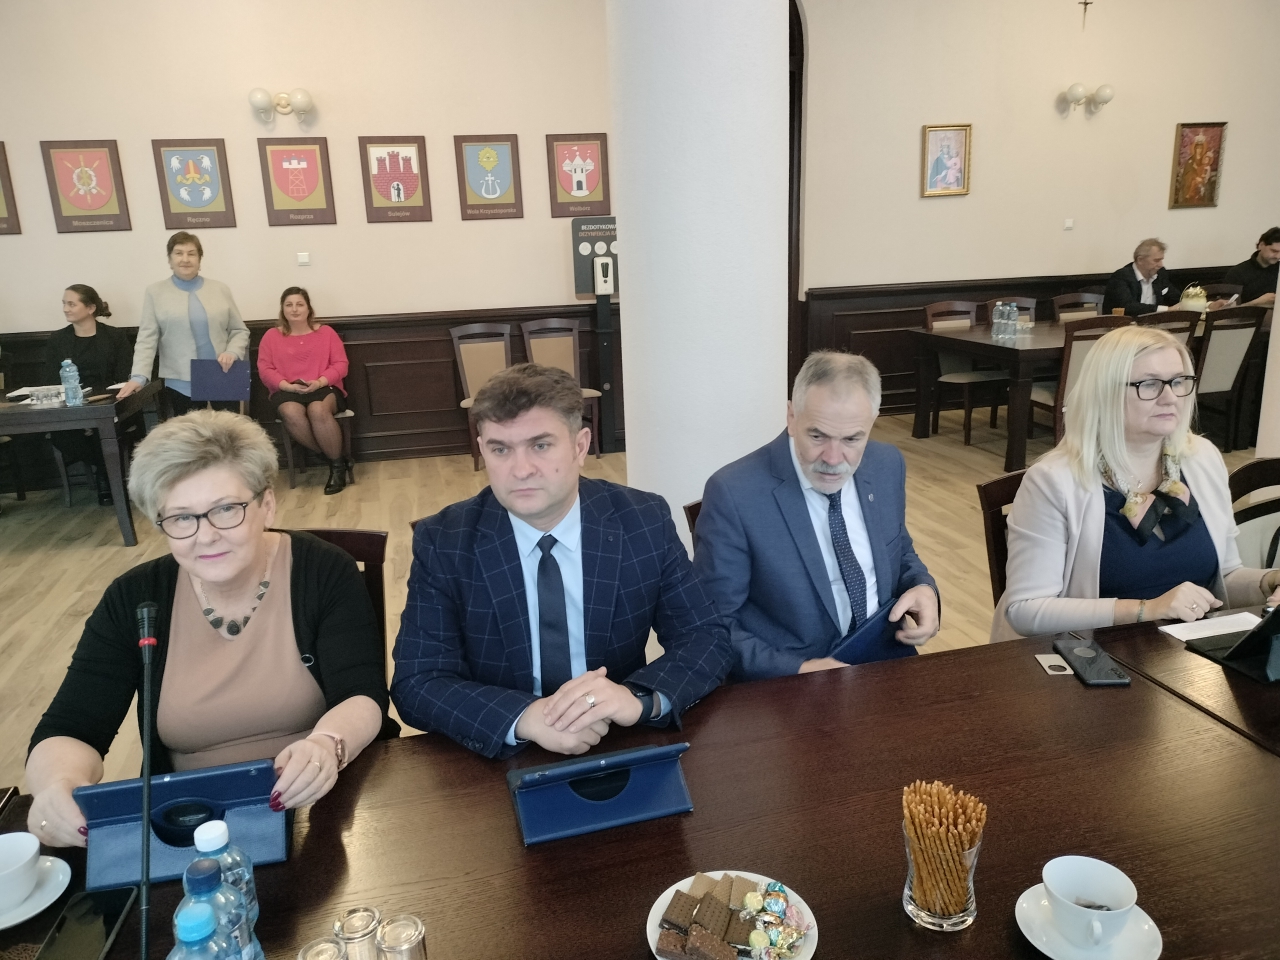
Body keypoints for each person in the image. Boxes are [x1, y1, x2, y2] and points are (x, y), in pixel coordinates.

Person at [26, 411, 396, 848]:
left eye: (226, 509)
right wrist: (57, 785)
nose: (206, 535)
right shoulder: (135, 597)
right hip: (190, 822)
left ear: (267, 504)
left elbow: (362, 693)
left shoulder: (324, 570)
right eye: (182, 518)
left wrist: (326, 745)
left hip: (324, 803)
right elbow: (72, 725)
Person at [391, 363, 731, 759]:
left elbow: (705, 637)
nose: (521, 470)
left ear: (580, 446)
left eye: (540, 445)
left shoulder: (642, 520)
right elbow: (418, 682)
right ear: (482, 449)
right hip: (501, 752)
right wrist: (524, 717)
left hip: (617, 741)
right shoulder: (445, 540)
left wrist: (637, 699)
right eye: (500, 449)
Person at [993, 325, 1280, 641]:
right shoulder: (1053, 481)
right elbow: (1026, 611)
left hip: (1188, 656)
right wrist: (1148, 609)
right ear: (1104, 394)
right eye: (1150, 384)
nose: (1170, 397)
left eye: (1178, 382)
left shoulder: (1202, 458)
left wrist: (1269, 581)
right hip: (1089, 657)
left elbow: (1224, 576)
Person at [692, 351, 940, 681]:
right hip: (788, 676)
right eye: (817, 436)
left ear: (873, 422)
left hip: (884, 654)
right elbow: (712, 625)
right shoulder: (734, 493)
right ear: (791, 416)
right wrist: (798, 670)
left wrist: (923, 587)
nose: (833, 459)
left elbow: (900, 550)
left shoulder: (887, 464)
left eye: (852, 439)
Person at [115, 232, 248, 416]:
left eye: (191, 253)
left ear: (200, 260)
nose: (185, 259)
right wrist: (139, 377)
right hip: (181, 380)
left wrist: (232, 352)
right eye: (179, 253)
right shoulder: (155, 292)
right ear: (170, 259)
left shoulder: (220, 289)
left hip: (223, 373)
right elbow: (147, 339)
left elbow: (239, 330)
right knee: (190, 432)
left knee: (229, 429)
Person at [43, 285, 135, 504]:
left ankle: (105, 478)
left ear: (91, 308)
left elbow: (123, 375)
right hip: (72, 406)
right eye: (64, 304)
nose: (65, 309)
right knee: (64, 436)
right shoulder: (58, 340)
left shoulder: (114, 336)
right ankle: (106, 472)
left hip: (110, 402)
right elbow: (51, 379)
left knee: (103, 430)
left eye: (71, 304)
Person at [257, 288, 351, 495]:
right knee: (290, 412)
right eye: (289, 305)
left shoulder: (326, 333)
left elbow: (341, 365)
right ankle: (336, 459)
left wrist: (319, 382)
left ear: (309, 308)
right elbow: (265, 369)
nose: (294, 309)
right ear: (282, 309)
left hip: (324, 386)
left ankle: (336, 469)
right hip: (287, 389)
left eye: (299, 304)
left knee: (318, 410)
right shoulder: (271, 336)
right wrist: (286, 385)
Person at [1102, 239, 1182, 317]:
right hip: (1124, 324)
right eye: (1156, 260)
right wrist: (1166, 309)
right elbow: (1128, 307)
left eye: (1161, 260)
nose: (1161, 265)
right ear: (1140, 260)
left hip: (1154, 323)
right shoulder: (1121, 276)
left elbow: (1175, 297)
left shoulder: (1160, 273)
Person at [1221, 227, 1280, 307]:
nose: (1278, 256)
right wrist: (1257, 303)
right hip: (1247, 315)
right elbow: (1228, 310)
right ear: (1261, 245)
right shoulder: (1237, 273)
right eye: (1274, 251)